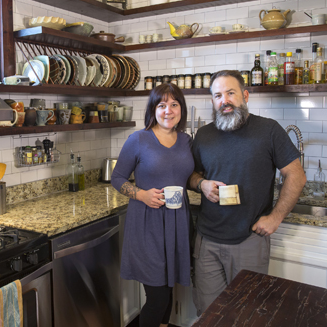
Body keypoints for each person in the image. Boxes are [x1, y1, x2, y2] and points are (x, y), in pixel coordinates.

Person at [188, 70, 306, 312]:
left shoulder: (269, 130)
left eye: (231, 93)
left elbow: (296, 175)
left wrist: (275, 217)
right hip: (207, 242)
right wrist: (202, 184)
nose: (225, 100)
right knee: (208, 314)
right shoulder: (203, 135)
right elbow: (191, 175)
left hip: (249, 241)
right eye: (218, 95)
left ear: (245, 95)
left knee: (247, 314)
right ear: (213, 101)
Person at [112, 83, 195, 327]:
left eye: (174, 104)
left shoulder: (186, 141)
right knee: (157, 297)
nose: (168, 110)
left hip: (177, 224)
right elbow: (117, 178)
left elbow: (188, 176)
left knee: (168, 291)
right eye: (162, 105)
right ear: (153, 109)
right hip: (147, 225)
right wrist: (141, 194)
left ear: (181, 109)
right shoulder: (138, 139)